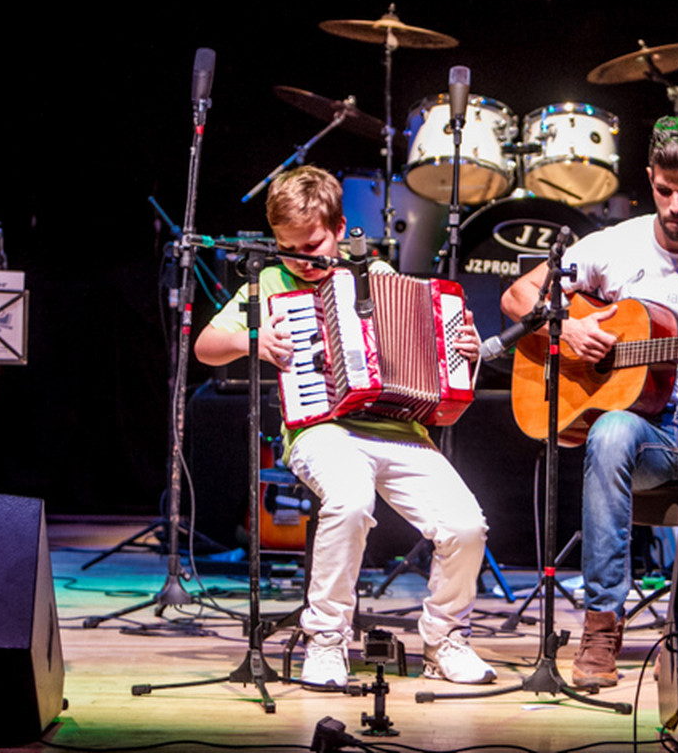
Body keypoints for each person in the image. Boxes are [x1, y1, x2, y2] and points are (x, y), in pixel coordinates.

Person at [500, 116, 678, 688]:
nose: (676, 205)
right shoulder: (614, 244)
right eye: (664, 191)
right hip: (642, 429)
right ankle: (602, 626)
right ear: (651, 178)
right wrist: (567, 333)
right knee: (608, 431)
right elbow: (518, 296)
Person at [194, 165, 495, 688]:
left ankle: (446, 640)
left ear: (339, 230)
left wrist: (463, 351)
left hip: (398, 430)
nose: (300, 261)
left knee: (467, 525)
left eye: (311, 246)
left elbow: (439, 359)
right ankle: (327, 639)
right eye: (288, 249)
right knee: (351, 500)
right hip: (321, 428)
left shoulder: (377, 277)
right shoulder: (268, 283)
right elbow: (205, 348)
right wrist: (253, 342)